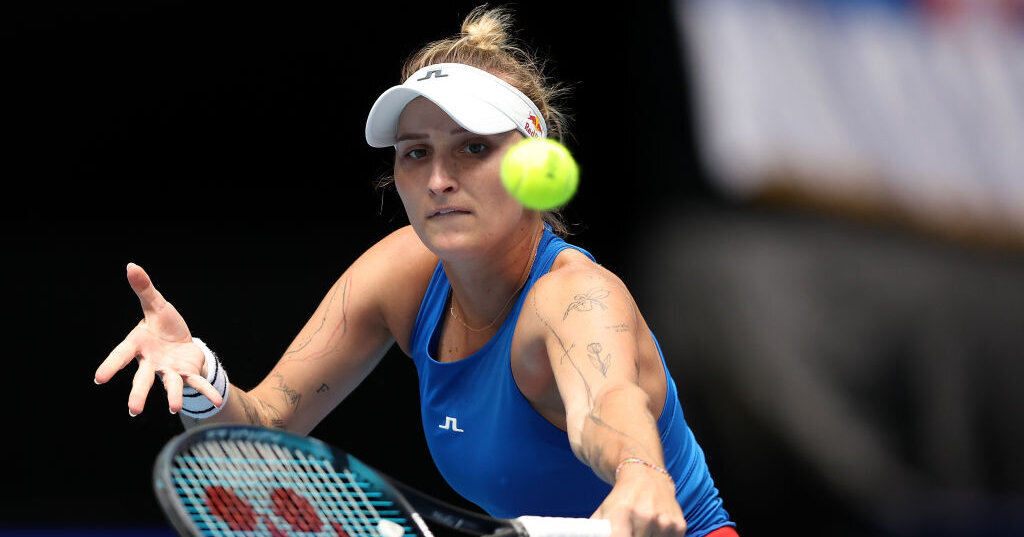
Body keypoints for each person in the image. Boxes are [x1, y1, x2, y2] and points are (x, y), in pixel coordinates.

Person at [94, 6, 737, 537]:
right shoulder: (402, 272)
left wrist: (639, 471)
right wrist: (200, 376)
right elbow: (258, 434)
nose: (438, 179)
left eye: (474, 148)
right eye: (415, 153)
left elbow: (609, 402)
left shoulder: (576, 296)